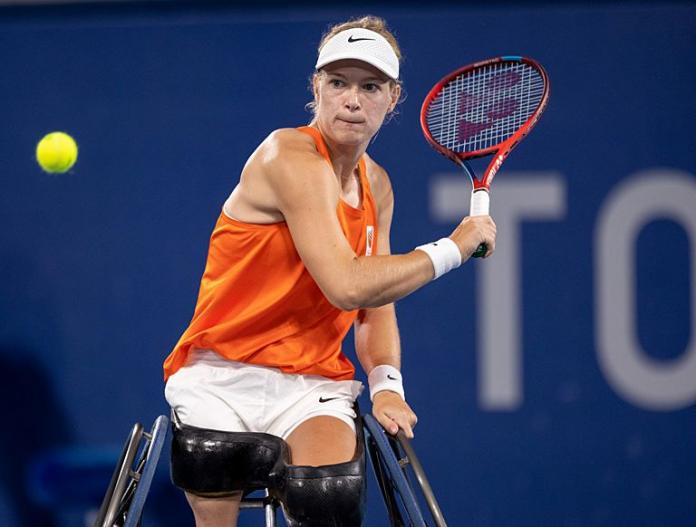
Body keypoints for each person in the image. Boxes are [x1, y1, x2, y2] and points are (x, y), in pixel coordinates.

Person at [163, 15, 496, 527]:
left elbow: (374, 301)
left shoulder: (377, 186)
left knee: (330, 493)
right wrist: (452, 249)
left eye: (370, 87)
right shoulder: (286, 155)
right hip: (219, 374)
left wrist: (387, 383)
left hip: (310, 385)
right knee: (212, 460)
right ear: (316, 87)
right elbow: (346, 286)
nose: (352, 100)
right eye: (337, 83)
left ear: (393, 98)